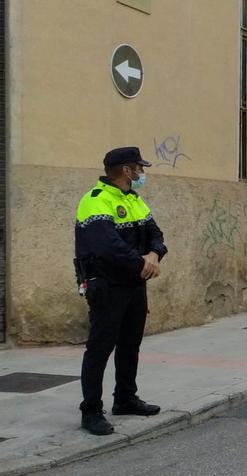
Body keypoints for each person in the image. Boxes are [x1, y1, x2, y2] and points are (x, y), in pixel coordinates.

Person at [74, 147, 167, 436]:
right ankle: (91, 410)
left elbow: (156, 233)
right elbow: (107, 246)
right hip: (107, 285)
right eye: (138, 169)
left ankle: (125, 398)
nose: (141, 174)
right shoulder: (95, 201)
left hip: (134, 284)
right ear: (127, 171)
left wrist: (154, 254)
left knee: (130, 344)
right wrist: (142, 263)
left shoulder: (134, 200)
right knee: (100, 348)